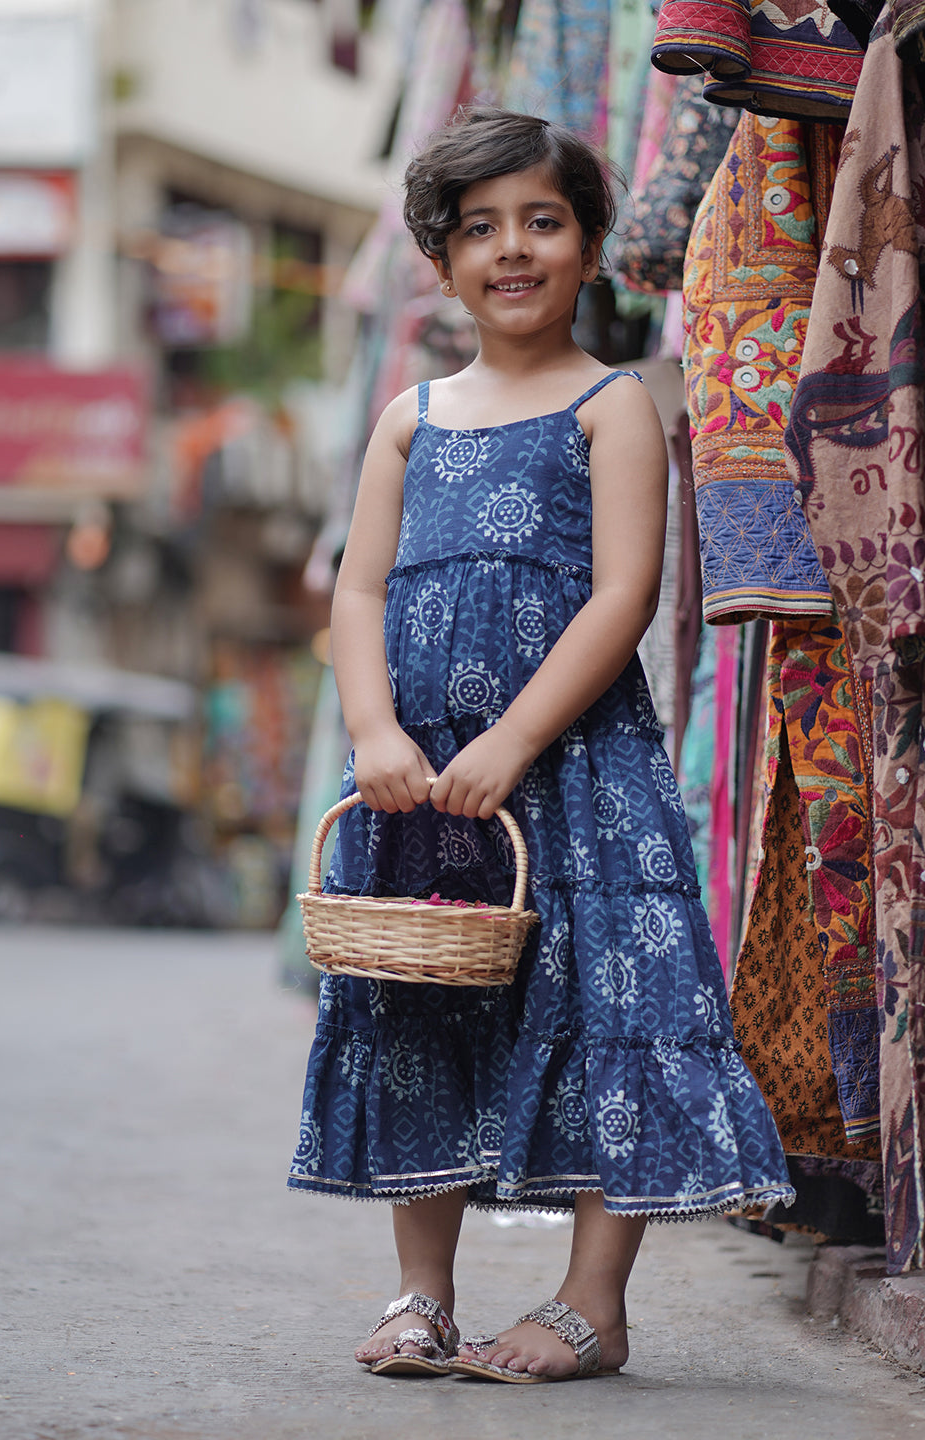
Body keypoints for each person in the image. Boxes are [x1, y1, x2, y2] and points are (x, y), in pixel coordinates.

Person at [288, 105, 793, 1384]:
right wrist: (372, 730)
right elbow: (358, 591)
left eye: (543, 222)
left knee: (614, 1009)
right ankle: (422, 1293)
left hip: (573, 772)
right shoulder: (411, 416)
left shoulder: (614, 406)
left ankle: (590, 1304)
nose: (513, 250)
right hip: (421, 778)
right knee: (420, 1009)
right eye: (480, 230)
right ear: (441, 260)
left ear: (590, 244)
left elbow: (624, 596)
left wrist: (515, 739)